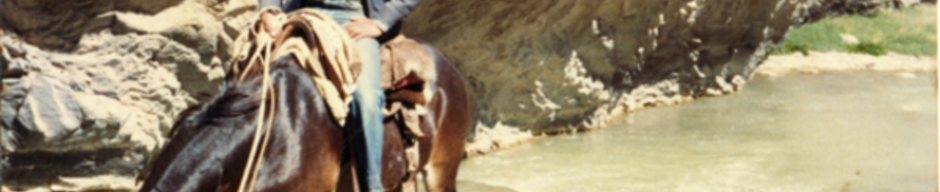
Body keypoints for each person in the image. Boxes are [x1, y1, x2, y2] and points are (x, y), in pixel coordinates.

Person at [258, 0, 419, 191]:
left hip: (351, 19)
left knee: (365, 97)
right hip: (302, 16)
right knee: (245, 80)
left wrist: (380, 23)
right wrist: (268, 11)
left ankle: (371, 182)